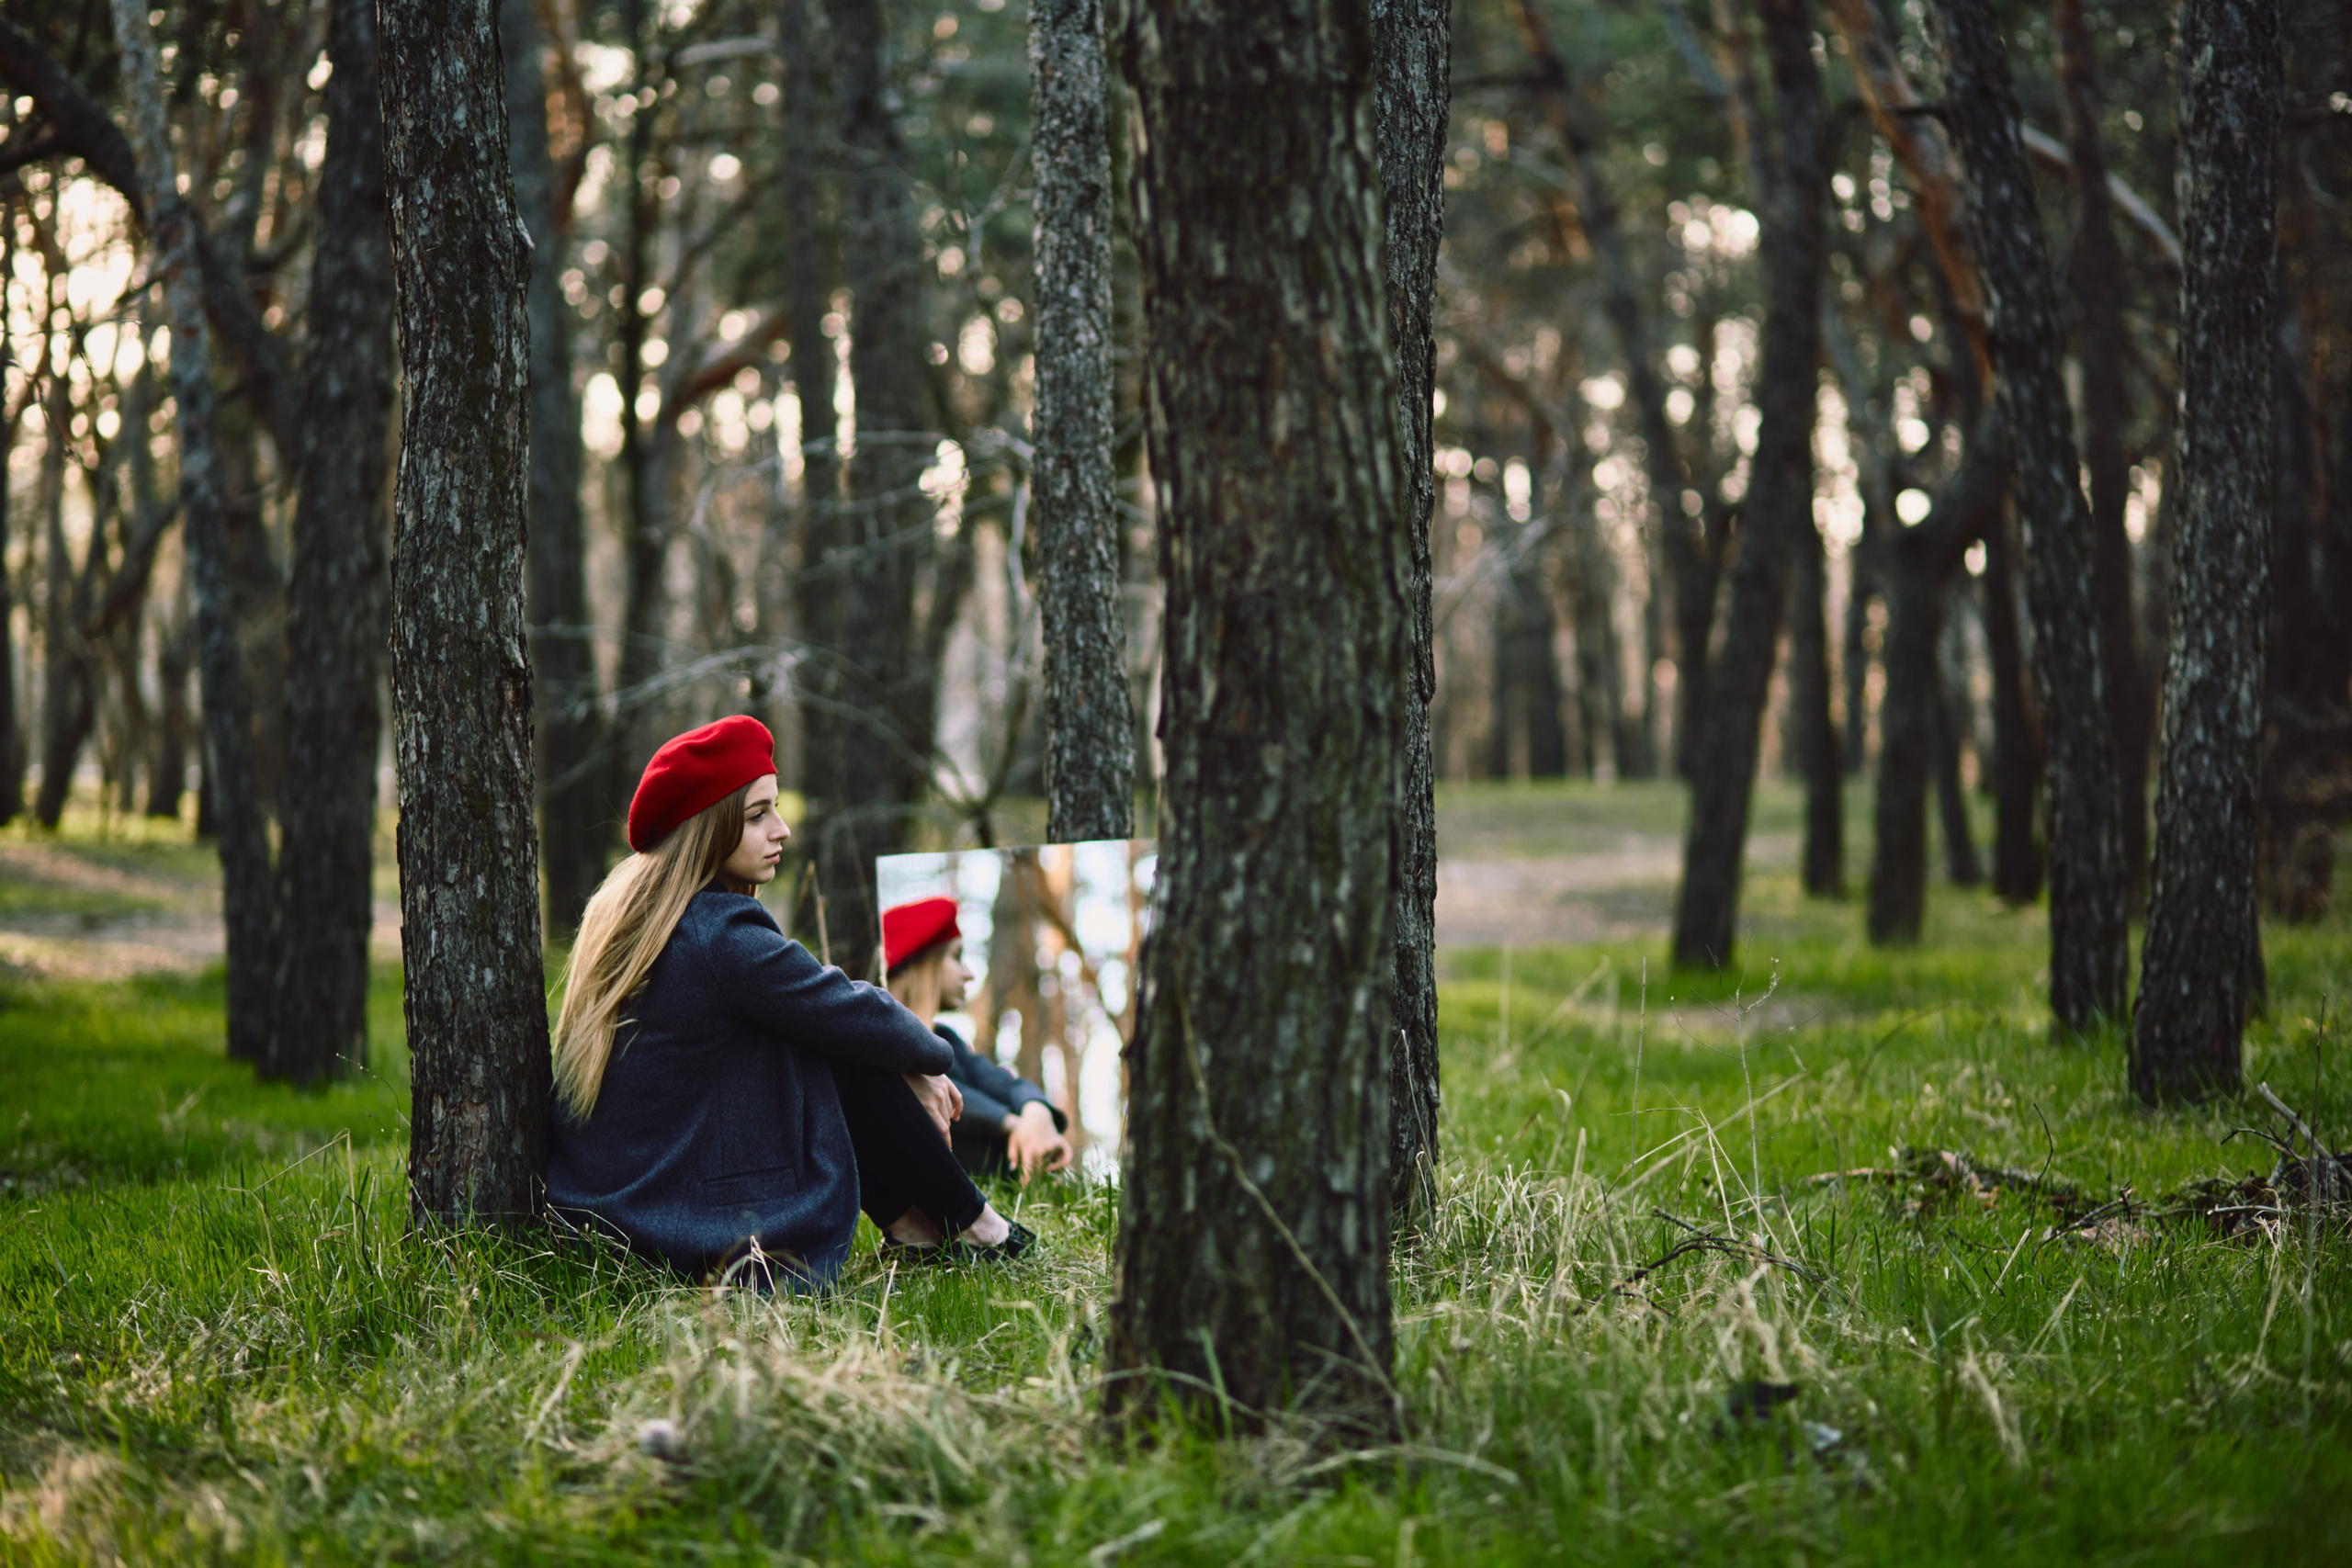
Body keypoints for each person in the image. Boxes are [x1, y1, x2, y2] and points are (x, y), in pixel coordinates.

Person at [545, 716, 1032, 1288]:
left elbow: (830, 1013)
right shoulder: (721, 937)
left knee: (822, 1038)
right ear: (707, 830)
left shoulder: (642, 912)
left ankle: (922, 1229)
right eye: (757, 816)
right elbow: (857, 1012)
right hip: (667, 1224)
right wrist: (926, 1060)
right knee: (842, 1046)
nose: (782, 831)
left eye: (775, 808)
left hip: (607, 1206)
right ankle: (976, 1228)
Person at [883, 896, 1076, 1182]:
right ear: (926, 961)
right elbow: (928, 1087)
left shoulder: (948, 1039)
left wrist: (1036, 1113)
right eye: (957, 956)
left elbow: (1001, 1082)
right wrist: (1012, 1124)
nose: (970, 974)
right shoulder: (882, 1037)